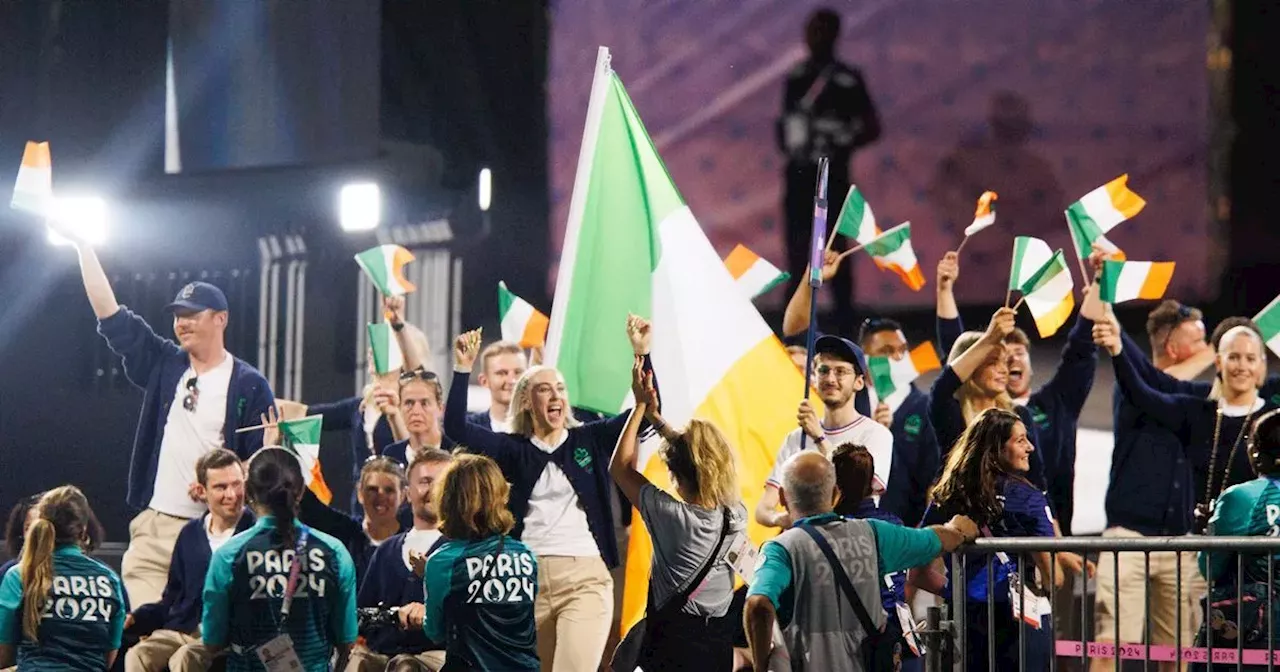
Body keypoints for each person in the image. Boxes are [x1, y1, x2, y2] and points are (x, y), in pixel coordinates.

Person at [57, 231, 274, 607]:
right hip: (155, 528)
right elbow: (110, 315)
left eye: (192, 314)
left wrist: (219, 483)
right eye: (177, 316)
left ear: (221, 319)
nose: (182, 323)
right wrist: (84, 247)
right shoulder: (165, 362)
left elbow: (262, 463)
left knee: (201, 646)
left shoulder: (250, 384)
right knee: (143, 635)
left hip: (216, 533)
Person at [443, 318, 653, 672]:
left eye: (560, 388)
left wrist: (642, 354)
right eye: (544, 389)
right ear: (525, 399)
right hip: (525, 578)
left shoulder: (591, 438)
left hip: (585, 576)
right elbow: (455, 429)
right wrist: (462, 369)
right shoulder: (511, 449)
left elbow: (645, 410)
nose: (556, 395)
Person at [744, 452, 976, 672]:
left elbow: (758, 604)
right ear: (835, 493)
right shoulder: (873, 533)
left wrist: (760, 665)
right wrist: (956, 530)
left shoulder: (782, 549)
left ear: (783, 497)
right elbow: (932, 540)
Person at [935, 248, 1105, 534]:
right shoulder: (955, 410)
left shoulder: (1042, 407)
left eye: (1015, 355)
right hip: (967, 540)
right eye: (996, 359)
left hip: (1034, 538)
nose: (1008, 364)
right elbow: (954, 357)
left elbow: (1080, 351)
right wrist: (945, 290)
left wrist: (1100, 282)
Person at [781, 252, 941, 527]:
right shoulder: (845, 393)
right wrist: (811, 279)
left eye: (901, 351)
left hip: (896, 534)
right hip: (837, 527)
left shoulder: (924, 407)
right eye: (885, 351)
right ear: (862, 361)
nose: (896, 358)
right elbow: (796, 328)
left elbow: (932, 483)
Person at [918, 408, 1083, 671]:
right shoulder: (1029, 499)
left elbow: (919, 572)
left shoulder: (947, 496)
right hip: (1018, 626)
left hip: (962, 621)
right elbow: (1054, 578)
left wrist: (955, 592)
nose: (1030, 447)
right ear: (996, 448)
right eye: (1020, 441)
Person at [609, 356, 747, 670]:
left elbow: (619, 468)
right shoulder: (736, 515)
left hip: (672, 646)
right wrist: (659, 421)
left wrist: (640, 408)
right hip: (716, 645)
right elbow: (696, 457)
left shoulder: (673, 517)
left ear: (677, 478)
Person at [201, 447, 358, 671]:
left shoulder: (228, 556)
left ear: (248, 492)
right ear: (301, 491)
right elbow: (347, 639)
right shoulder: (335, 552)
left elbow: (212, 642)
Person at [777, 7, 881, 334]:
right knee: (797, 255)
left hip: (833, 178)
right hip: (799, 178)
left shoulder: (847, 78)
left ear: (835, 35)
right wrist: (797, 138)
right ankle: (795, 331)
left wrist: (840, 135)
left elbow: (872, 127)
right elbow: (784, 128)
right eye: (812, 30)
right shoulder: (797, 76)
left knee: (836, 254)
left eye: (822, 31)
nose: (815, 37)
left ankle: (843, 331)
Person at [286, 295, 428, 515]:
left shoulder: (415, 405)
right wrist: (263, 402)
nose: (372, 352)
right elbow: (306, 413)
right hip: (363, 507)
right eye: (372, 346)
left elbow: (416, 451)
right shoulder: (359, 407)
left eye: (382, 346)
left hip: (402, 506)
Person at [401, 454, 539, 671]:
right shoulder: (525, 554)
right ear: (500, 495)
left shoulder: (442, 561)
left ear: (448, 499)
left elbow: (435, 632)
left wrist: (428, 575)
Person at [125, 448, 255, 672]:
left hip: (228, 636)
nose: (232, 495)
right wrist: (138, 618)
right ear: (202, 491)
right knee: (139, 655)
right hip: (184, 629)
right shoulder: (190, 534)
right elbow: (171, 598)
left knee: (185, 659)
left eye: (236, 484)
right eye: (221, 487)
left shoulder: (255, 533)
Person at [756, 335, 892, 529]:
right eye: (823, 370)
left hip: (852, 543)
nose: (830, 378)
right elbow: (763, 509)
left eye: (841, 371)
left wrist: (819, 437)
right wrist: (780, 519)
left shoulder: (876, 434)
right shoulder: (796, 438)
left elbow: (857, 490)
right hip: (806, 545)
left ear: (859, 382)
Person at [0, 486, 127, 670]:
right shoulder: (109, 580)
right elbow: (108, 658)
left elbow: (3, 655)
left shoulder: (19, 575)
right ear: (84, 531)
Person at [347, 449, 452, 672]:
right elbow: (360, 615)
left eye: (443, 482)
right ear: (407, 493)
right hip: (383, 657)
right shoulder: (386, 551)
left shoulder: (464, 549)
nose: (434, 490)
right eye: (425, 482)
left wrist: (430, 612)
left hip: (437, 658)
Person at [1196, 409, 1280, 670]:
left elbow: (1209, 566)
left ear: (1256, 452)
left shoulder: (1241, 497)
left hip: (1255, 629)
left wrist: (1209, 528)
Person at [929, 306, 1047, 490]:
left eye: (1004, 362)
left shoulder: (1019, 414)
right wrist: (989, 338)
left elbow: (1035, 474)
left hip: (1009, 514)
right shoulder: (951, 411)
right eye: (992, 362)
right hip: (959, 513)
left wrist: (1049, 514)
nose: (1003, 370)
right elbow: (943, 386)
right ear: (970, 367)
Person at [832, 443, 922, 672]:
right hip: (893, 632)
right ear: (872, 481)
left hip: (846, 638)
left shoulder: (830, 531)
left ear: (834, 483)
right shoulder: (895, 525)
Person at [297, 457, 409, 583]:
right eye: (372, 489)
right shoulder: (342, 532)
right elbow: (305, 502)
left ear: (403, 495)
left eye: (389, 490)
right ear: (360, 493)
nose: (380, 496)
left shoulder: (412, 544)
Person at [383, 368, 455, 466]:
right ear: (399, 408)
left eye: (424, 403)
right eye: (409, 403)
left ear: (440, 408)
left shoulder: (455, 454)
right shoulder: (392, 455)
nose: (416, 411)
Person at [469, 341, 529, 432]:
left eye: (518, 372)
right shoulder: (470, 429)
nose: (512, 380)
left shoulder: (543, 429)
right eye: (502, 373)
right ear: (484, 381)